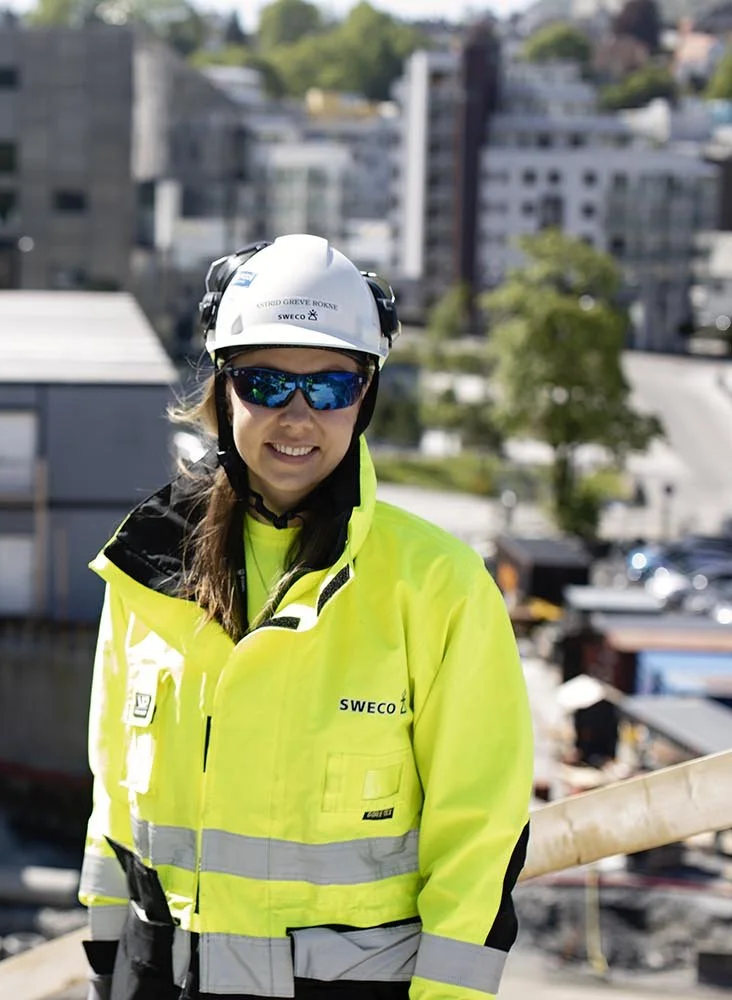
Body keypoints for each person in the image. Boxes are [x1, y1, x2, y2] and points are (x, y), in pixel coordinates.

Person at [76, 235, 533, 1000]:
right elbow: (113, 800)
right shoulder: (150, 570)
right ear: (224, 390)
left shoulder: (436, 586)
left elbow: (479, 836)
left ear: (367, 394)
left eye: (328, 387)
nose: (296, 417)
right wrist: (103, 963)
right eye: (264, 383)